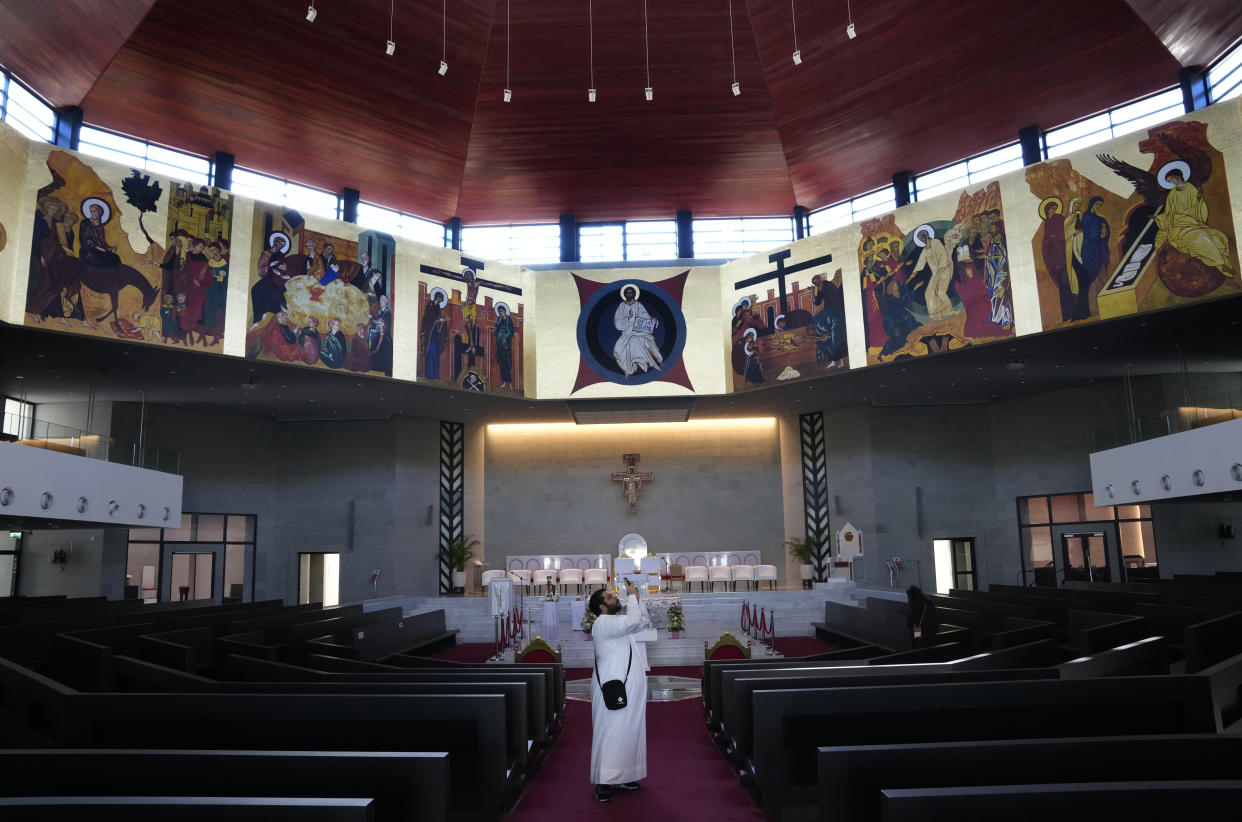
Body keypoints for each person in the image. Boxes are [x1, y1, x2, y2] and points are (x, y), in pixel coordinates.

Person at [588, 581, 650, 803]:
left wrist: (638, 599)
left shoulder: (616, 622)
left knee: (629, 731)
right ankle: (604, 781)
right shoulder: (603, 623)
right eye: (609, 596)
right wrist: (632, 597)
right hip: (612, 687)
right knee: (611, 732)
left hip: (626, 686)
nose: (615, 596)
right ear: (601, 607)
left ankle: (625, 775)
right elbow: (634, 620)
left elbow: (642, 622)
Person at [612, 285, 663, 377]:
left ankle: (648, 364)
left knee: (634, 341)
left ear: (634, 294)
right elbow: (617, 323)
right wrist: (627, 318)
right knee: (618, 350)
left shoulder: (638, 305)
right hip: (626, 332)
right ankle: (628, 369)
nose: (629, 294)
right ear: (624, 294)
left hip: (639, 331)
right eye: (627, 293)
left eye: (631, 292)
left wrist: (652, 318)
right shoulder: (622, 306)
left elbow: (645, 316)